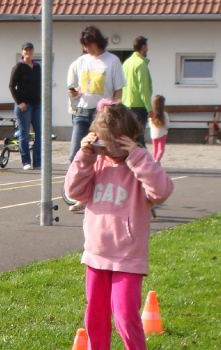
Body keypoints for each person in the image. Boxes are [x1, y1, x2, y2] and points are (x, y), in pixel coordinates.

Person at [63, 102, 174, 350]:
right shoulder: (97, 162)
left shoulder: (139, 165)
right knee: (95, 319)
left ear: (127, 138)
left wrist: (137, 156)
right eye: (103, 143)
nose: (108, 151)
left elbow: (162, 190)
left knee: (125, 317)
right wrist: (84, 156)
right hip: (96, 256)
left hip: (127, 258)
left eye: (113, 144)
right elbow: (74, 191)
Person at [66, 26, 125, 212]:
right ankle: (82, 196)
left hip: (102, 114)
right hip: (82, 111)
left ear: (97, 42)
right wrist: (73, 93)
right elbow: (75, 87)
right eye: (84, 46)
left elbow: (118, 90)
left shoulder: (112, 61)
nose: (87, 49)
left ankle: (100, 194)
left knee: (102, 156)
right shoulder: (81, 61)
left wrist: (113, 111)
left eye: (89, 45)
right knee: (76, 153)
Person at [9, 42, 42, 170]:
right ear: (22, 52)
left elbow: (40, 84)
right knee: (24, 134)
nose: (28, 52)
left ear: (33, 51)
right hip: (24, 106)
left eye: (30, 50)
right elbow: (11, 86)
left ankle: (37, 162)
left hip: (37, 104)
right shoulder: (18, 67)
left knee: (40, 133)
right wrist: (19, 102)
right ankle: (26, 161)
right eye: (25, 50)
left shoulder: (37, 67)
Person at [122, 36, 153, 147]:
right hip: (139, 107)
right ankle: (141, 158)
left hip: (126, 105)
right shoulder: (141, 64)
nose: (148, 49)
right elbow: (144, 89)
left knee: (129, 138)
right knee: (139, 139)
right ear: (143, 47)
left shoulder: (126, 63)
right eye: (147, 46)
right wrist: (149, 108)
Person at [149, 94, 169, 163]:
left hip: (153, 134)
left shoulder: (151, 114)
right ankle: (157, 161)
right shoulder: (164, 114)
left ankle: (154, 161)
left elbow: (150, 124)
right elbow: (167, 125)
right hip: (162, 134)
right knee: (161, 149)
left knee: (155, 148)